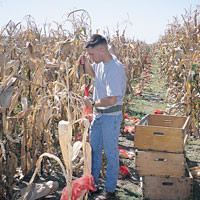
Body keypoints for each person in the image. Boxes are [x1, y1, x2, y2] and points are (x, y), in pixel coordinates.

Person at [80, 34, 126, 199]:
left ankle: (109, 190)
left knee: (111, 153)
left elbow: (112, 99)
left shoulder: (115, 69)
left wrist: (92, 103)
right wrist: (86, 63)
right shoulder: (100, 63)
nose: (91, 57)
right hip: (99, 116)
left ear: (102, 49)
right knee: (94, 150)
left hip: (110, 117)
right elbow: (93, 73)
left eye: (92, 55)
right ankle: (94, 185)